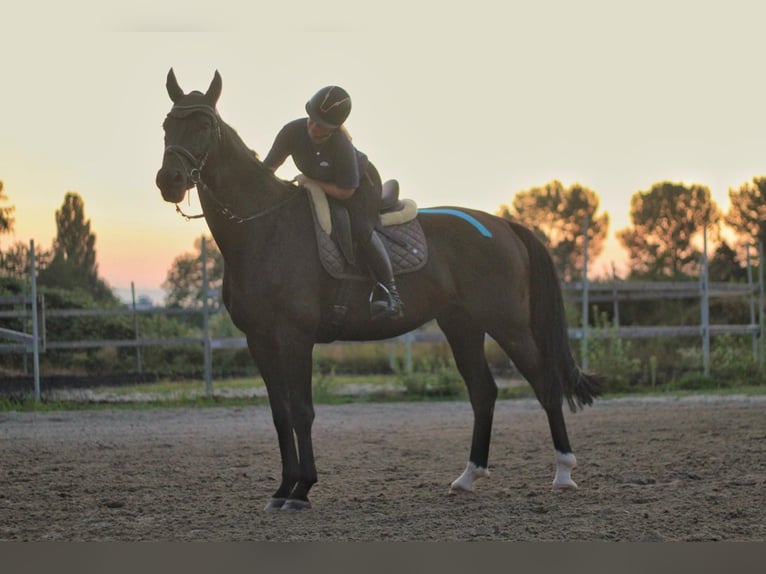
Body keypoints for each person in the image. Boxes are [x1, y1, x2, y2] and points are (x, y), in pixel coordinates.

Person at [263, 85, 404, 320]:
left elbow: (346, 192)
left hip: (359, 187)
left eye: (321, 124)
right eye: (311, 118)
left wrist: (310, 180)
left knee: (360, 228)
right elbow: (267, 169)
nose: (312, 126)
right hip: (321, 183)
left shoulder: (341, 145)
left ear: (334, 128)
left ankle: (392, 294)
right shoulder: (292, 132)